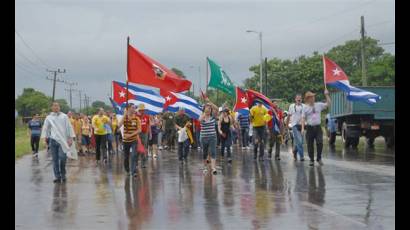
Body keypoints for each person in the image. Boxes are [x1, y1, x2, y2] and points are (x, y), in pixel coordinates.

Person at [41, 102, 76, 183]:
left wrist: (70, 138)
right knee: (55, 159)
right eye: (54, 106)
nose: (56, 107)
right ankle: (57, 176)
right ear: (52, 108)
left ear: (59, 107)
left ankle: (63, 174)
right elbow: (45, 128)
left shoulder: (64, 116)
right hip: (53, 140)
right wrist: (44, 139)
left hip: (63, 141)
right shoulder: (49, 117)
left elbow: (69, 127)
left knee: (63, 158)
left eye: (57, 106)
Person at [301, 90, 331, 166]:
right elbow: (303, 118)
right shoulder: (305, 108)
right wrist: (302, 128)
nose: (313, 98)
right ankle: (311, 160)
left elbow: (329, 104)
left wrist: (327, 95)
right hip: (310, 128)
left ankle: (319, 158)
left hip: (318, 128)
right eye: (311, 97)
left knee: (320, 142)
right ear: (308, 99)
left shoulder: (319, 105)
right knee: (310, 145)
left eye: (314, 97)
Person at [118, 104, 141, 177]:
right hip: (125, 141)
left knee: (134, 155)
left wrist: (130, 135)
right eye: (133, 108)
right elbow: (119, 125)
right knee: (126, 157)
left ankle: (134, 171)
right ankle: (127, 169)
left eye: (135, 108)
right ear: (128, 109)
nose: (134, 109)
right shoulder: (125, 118)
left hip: (134, 140)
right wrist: (124, 115)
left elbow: (139, 130)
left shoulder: (137, 118)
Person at [199, 99, 219, 175]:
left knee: (213, 152)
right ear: (204, 109)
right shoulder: (202, 116)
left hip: (212, 137)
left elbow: (217, 109)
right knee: (205, 153)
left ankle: (213, 168)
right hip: (203, 137)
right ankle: (205, 167)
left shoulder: (213, 117)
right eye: (207, 109)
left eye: (210, 109)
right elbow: (200, 120)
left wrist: (210, 103)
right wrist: (205, 113)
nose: (209, 110)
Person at [287, 94, 305, 161]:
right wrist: (286, 126)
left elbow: (303, 117)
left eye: (300, 98)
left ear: (301, 99)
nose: (299, 99)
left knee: (301, 142)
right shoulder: (291, 106)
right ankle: (302, 156)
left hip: (302, 125)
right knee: (299, 141)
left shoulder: (304, 106)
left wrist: (303, 128)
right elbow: (288, 116)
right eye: (297, 98)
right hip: (294, 126)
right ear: (295, 99)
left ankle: (294, 151)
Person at [136, 104, 150, 168]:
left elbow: (148, 125)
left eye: (143, 110)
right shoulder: (135, 116)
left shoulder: (147, 116)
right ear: (139, 110)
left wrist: (149, 133)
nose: (142, 111)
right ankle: (135, 162)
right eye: (141, 110)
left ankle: (143, 163)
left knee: (144, 148)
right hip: (137, 134)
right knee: (138, 148)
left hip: (145, 134)